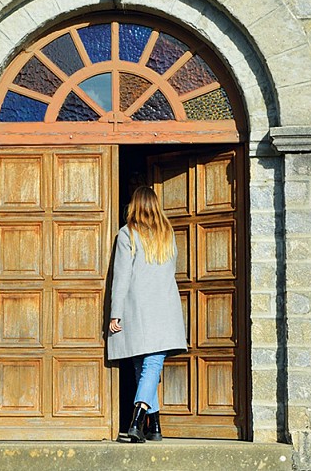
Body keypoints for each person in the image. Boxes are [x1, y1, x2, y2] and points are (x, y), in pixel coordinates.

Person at [107, 186, 187, 443]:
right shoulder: (168, 234)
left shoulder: (126, 234)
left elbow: (121, 277)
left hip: (137, 308)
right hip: (164, 307)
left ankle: (136, 420)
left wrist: (115, 313)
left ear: (134, 205)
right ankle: (155, 427)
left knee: (147, 364)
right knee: (146, 365)